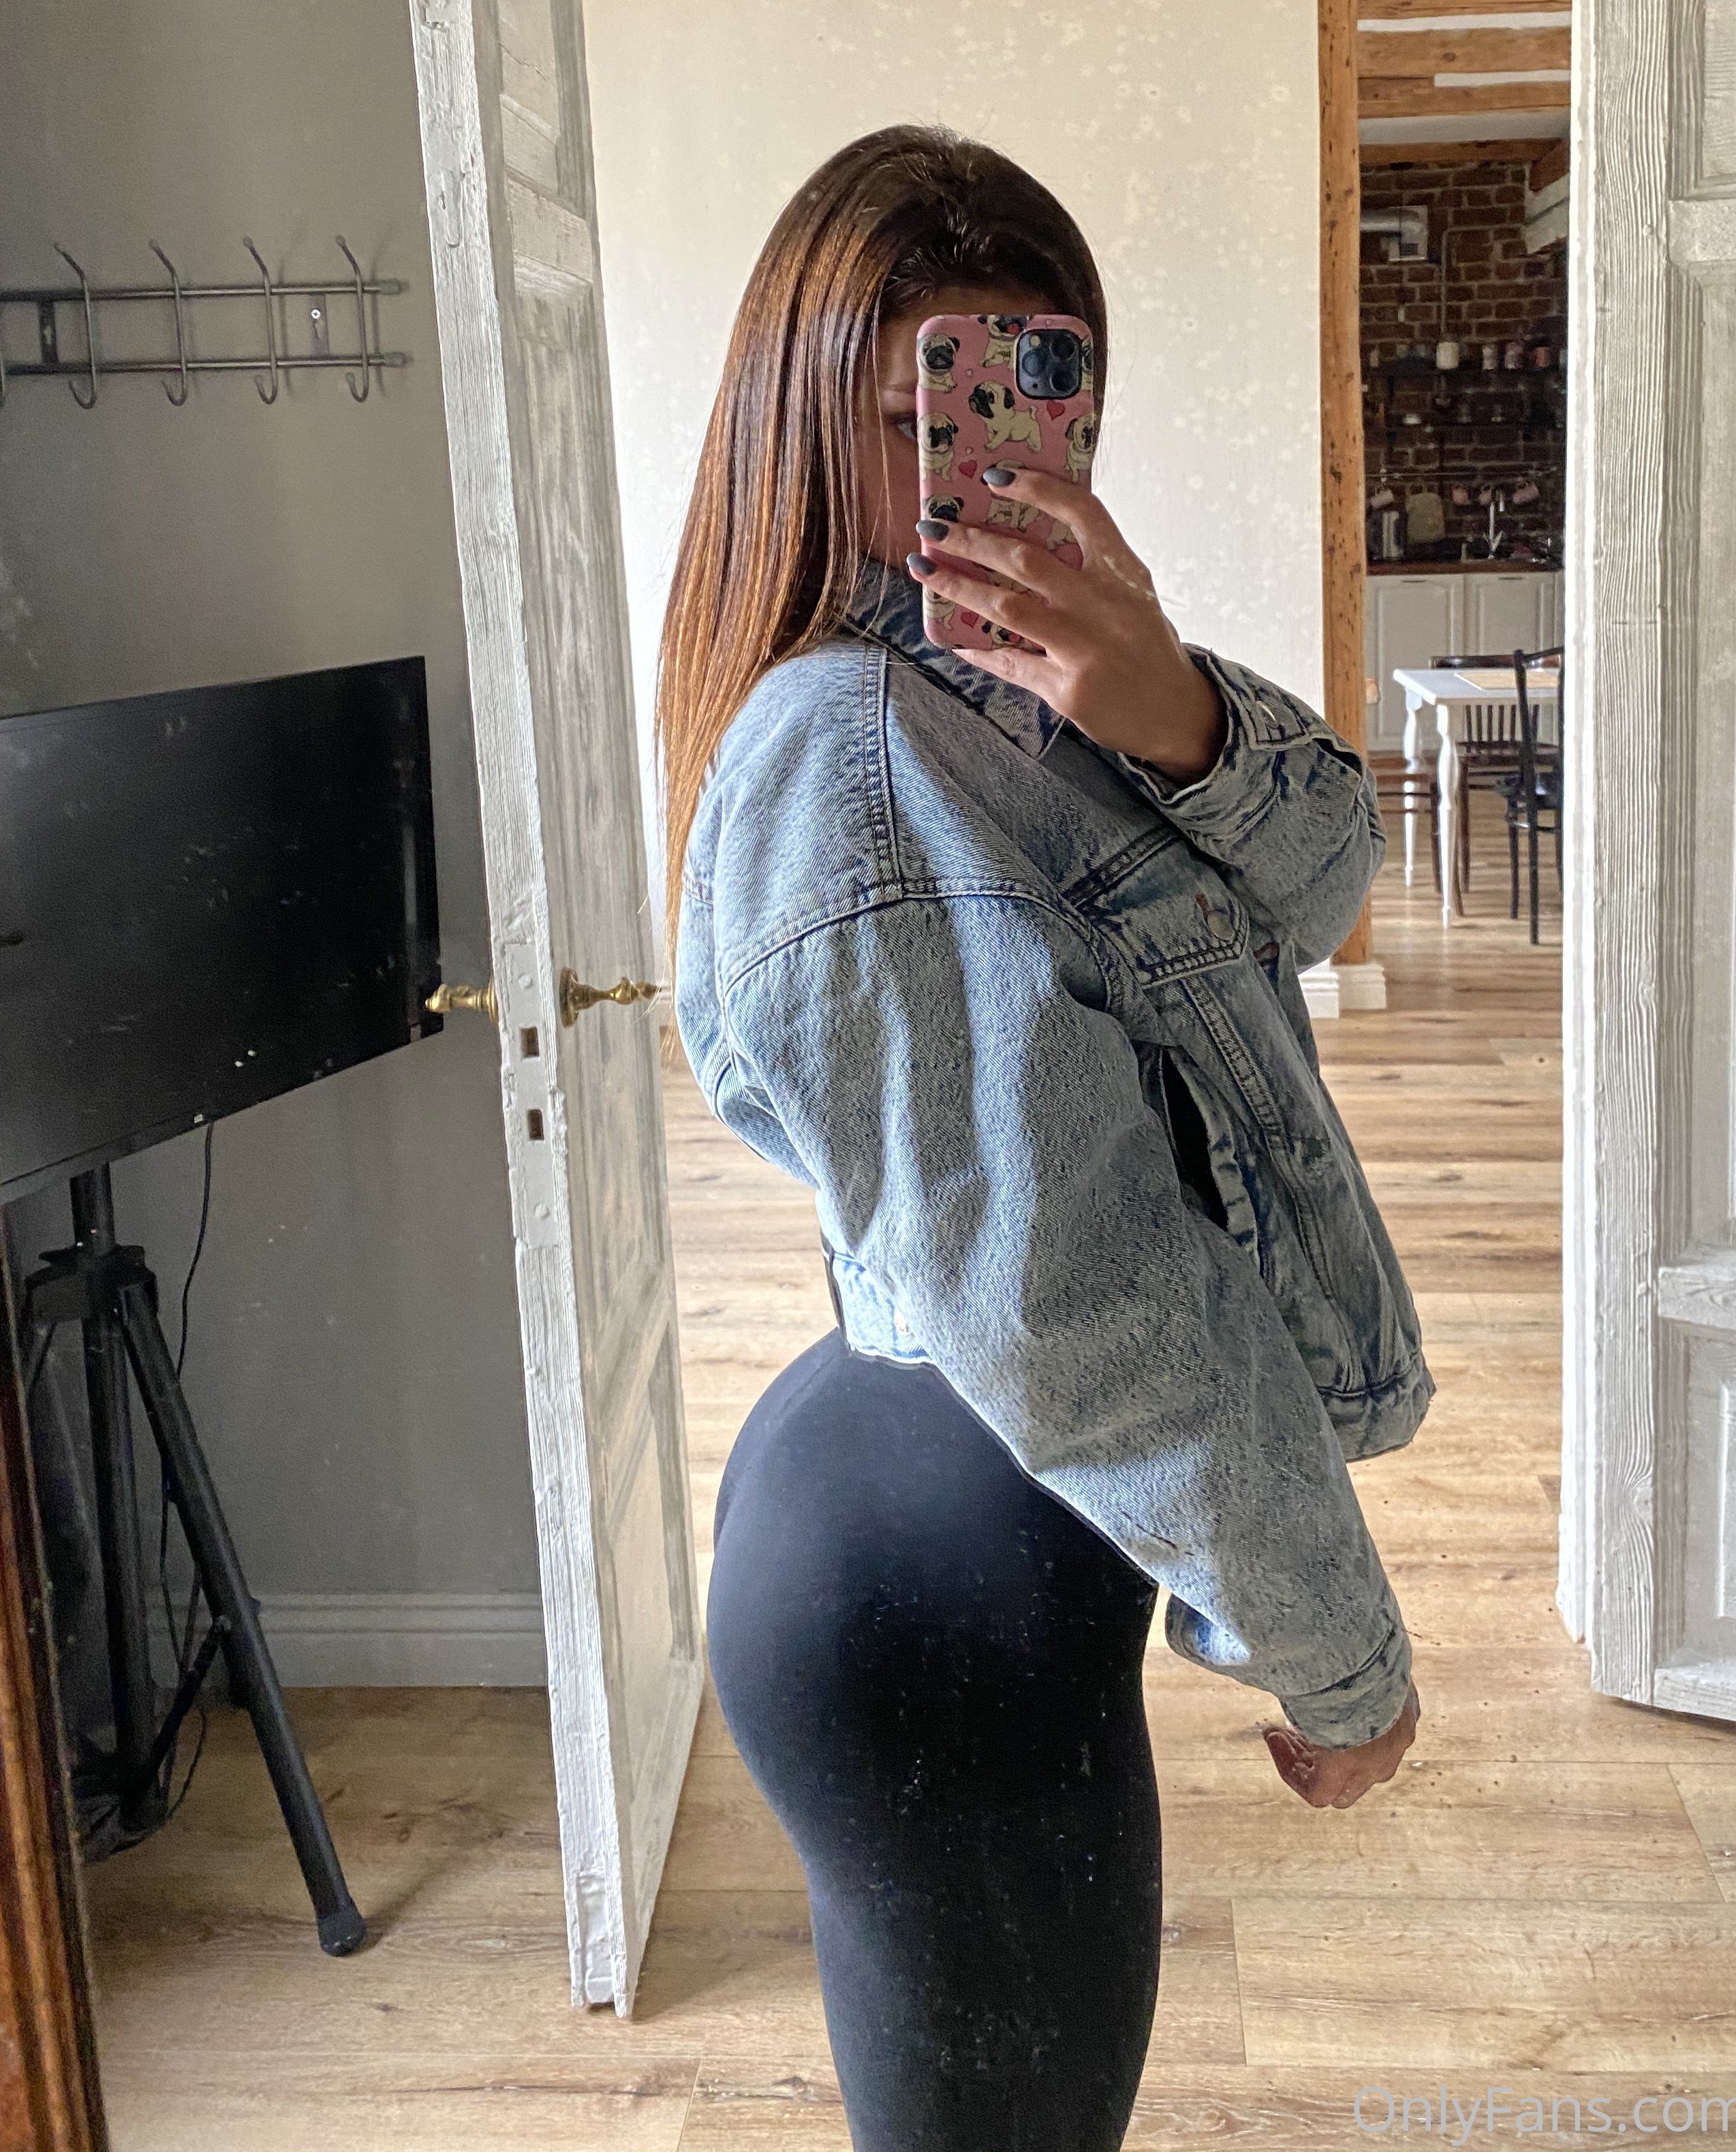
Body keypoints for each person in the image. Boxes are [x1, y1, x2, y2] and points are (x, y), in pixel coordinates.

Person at [660, 125, 1431, 2152]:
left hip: (968, 1526)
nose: (992, 448)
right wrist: (1340, 1661)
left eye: (1044, 386)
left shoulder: (1038, 680)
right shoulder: (854, 760)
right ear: (807, 421)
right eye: (925, 405)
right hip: (943, 1586)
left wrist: (1171, 704)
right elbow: (1082, 1302)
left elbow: (1330, 878)